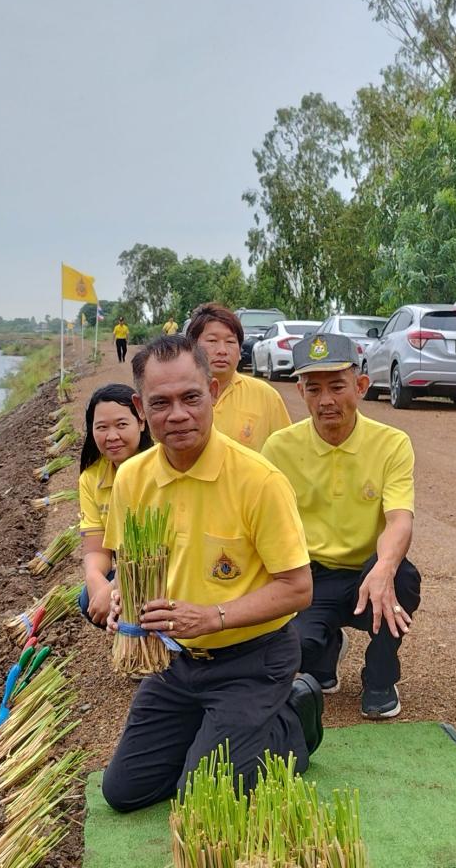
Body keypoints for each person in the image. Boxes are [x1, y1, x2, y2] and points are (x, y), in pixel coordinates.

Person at [100, 335, 323, 812]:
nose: (177, 414)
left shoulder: (258, 481)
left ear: (214, 394)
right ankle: (217, 733)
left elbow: (298, 588)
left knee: (200, 801)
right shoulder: (132, 478)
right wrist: (123, 597)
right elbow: (126, 568)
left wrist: (214, 617)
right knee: (123, 793)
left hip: (252, 660)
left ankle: (291, 717)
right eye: (161, 403)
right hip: (175, 662)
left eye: (191, 397)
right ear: (141, 408)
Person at [262, 334, 421, 720]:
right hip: (310, 577)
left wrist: (384, 568)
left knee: (402, 579)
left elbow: (400, 519)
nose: (326, 400)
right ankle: (325, 647)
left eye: (337, 386)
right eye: (313, 389)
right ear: (300, 391)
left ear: (361, 386)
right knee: (298, 650)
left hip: (368, 572)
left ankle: (381, 677)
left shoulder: (392, 443)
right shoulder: (279, 448)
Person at [77, 384, 154, 625]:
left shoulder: (160, 467)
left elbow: (162, 550)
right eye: (101, 427)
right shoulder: (91, 478)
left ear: (141, 423)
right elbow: (96, 548)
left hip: (163, 569)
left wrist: (116, 585)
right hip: (126, 573)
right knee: (87, 599)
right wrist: (97, 583)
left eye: (121, 425)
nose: (112, 436)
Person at [186, 303, 290, 451]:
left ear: (240, 351)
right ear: (191, 347)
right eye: (212, 341)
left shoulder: (266, 396)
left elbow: (285, 451)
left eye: (230, 342)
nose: (222, 350)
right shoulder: (176, 396)